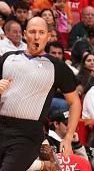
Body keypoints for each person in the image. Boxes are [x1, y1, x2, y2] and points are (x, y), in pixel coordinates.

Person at [0, 17, 81, 170]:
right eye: (32, 32)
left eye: (41, 32)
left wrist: (68, 137)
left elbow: (75, 102)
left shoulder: (58, 67)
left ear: (48, 36)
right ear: (25, 34)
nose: (36, 37)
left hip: (27, 135)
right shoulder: (7, 58)